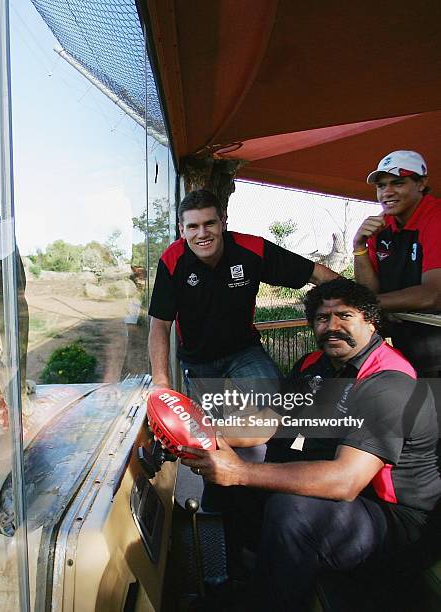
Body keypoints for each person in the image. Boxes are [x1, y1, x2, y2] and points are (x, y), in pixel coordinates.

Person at [181, 279, 441, 611]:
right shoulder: (313, 366)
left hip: (397, 520)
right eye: (322, 318)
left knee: (292, 509)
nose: (332, 326)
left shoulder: (387, 380)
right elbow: (268, 421)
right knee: (238, 458)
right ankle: (248, 577)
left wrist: (242, 472)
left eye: (344, 315)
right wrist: (200, 432)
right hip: (355, 495)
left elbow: (346, 480)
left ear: (371, 321)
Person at [148, 188, 336, 401]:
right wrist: (161, 384)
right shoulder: (172, 260)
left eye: (209, 223)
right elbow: (160, 324)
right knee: (206, 428)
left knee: (275, 404)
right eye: (193, 226)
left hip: (244, 351)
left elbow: (317, 274)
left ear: (223, 222)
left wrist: (361, 303)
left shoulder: (252, 249)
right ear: (182, 230)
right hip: (197, 359)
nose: (202, 233)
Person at [353, 150, 441, 376]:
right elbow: (369, 291)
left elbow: (433, 294)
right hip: (410, 340)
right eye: (381, 186)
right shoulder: (380, 227)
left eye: (397, 183)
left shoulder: (436, 217)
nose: (387, 192)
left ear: (421, 184)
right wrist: (359, 246)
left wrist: (360, 306)